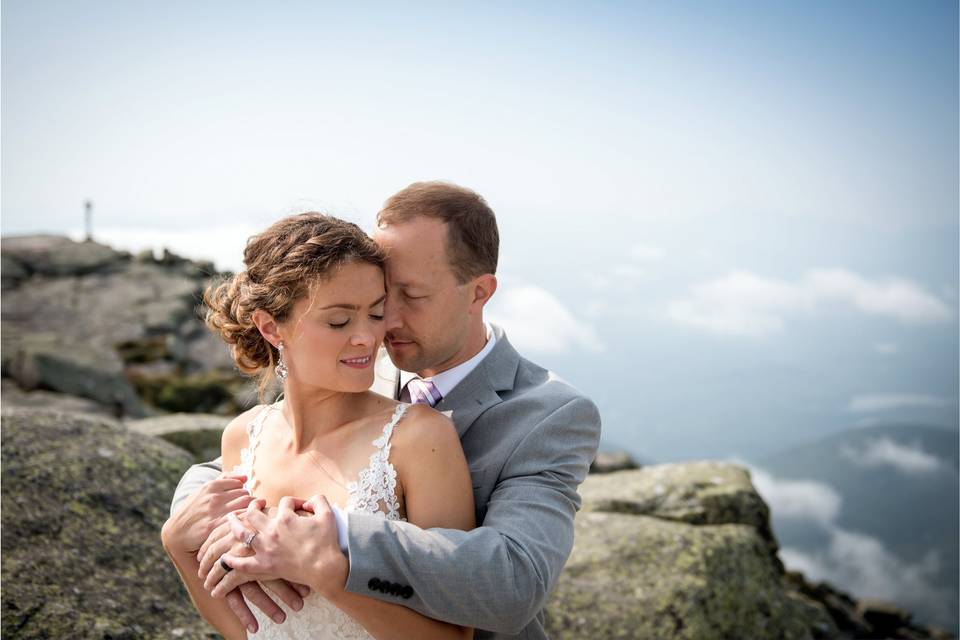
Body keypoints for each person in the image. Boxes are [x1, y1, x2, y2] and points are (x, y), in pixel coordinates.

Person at [171, 182, 602, 639]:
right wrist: (183, 525)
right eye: (381, 298)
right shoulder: (356, 368)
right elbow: (244, 462)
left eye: (410, 296)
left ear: (478, 292)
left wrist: (331, 539)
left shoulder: (550, 415)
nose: (384, 324)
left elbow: (514, 580)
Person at [161, 213, 476, 639]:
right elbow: (252, 630)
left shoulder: (419, 439)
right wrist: (178, 549)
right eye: (339, 321)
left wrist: (327, 573)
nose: (367, 337)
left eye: (376, 313)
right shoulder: (242, 438)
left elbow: (455, 637)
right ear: (272, 327)